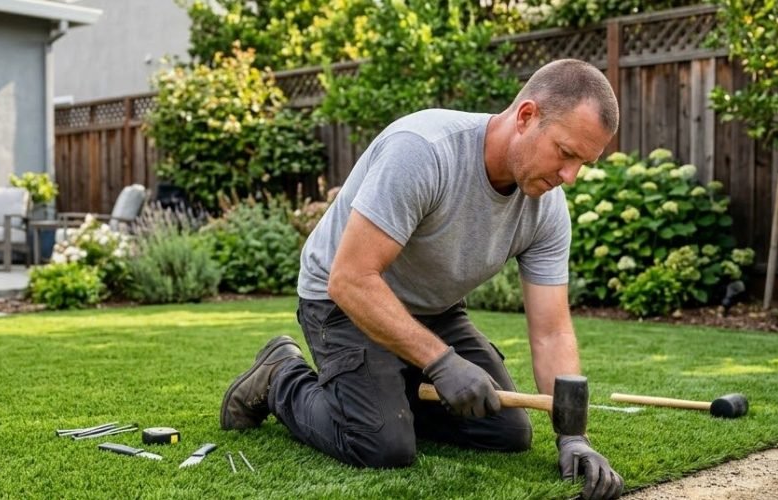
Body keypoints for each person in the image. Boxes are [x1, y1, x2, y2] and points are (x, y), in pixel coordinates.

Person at [220, 59, 624, 500]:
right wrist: (441, 361)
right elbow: (350, 279)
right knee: (382, 445)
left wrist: (573, 437)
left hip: (432, 309)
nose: (569, 176)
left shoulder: (547, 207)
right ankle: (281, 376)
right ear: (526, 116)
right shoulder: (424, 150)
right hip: (343, 303)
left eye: (583, 163)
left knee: (506, 432)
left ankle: (389, 387)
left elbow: (551, 331)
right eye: (565, 153)